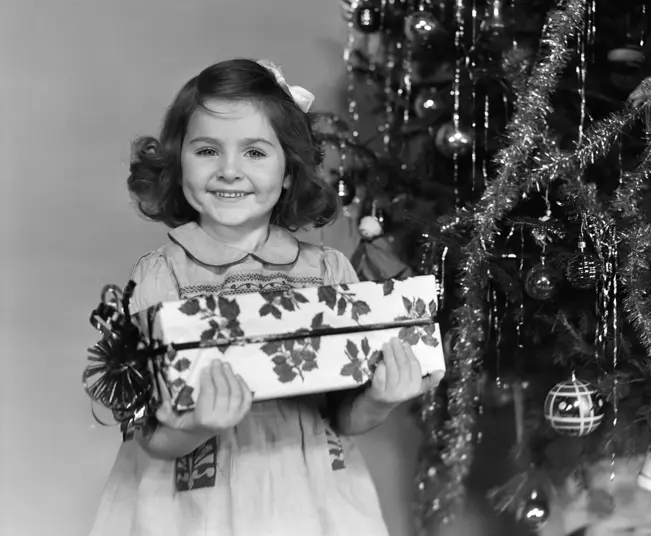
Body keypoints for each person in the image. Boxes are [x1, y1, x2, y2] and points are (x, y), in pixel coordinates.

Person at [89, 58, 444, 536]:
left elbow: (342, 415)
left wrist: (380, 399)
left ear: (289, 171)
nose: (230, 171)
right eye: (207, 150)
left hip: (310, 491)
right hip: (197, 502)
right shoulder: (162, 275)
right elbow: (150, 434)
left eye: (255, 153)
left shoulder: (327, 273)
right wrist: (197, 424)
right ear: (178, 163)